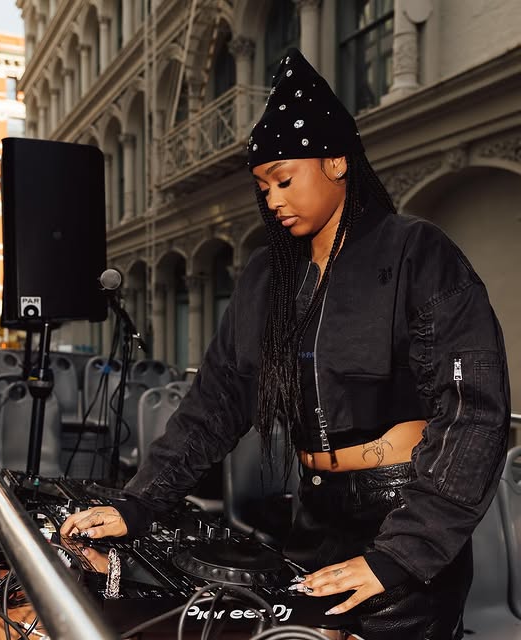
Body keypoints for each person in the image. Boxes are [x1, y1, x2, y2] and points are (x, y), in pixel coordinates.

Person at [61, 48, 510, 639]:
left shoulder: (418, 253)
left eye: (284, 179)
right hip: (312, 515)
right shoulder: (265, 278)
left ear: (336, 161)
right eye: (262, 186)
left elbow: (474, 413)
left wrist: (404, 553)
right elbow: (213, 405)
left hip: (403, 515)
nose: (272, 200)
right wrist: (138, 503)